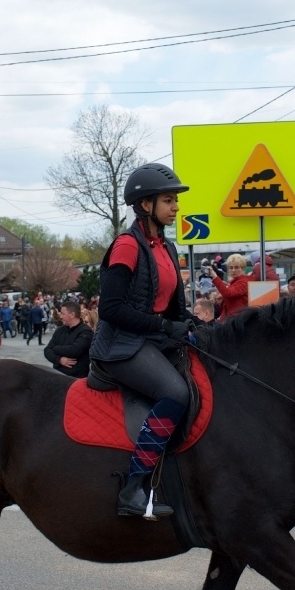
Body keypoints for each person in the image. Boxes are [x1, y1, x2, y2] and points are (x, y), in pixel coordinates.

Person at [89, 162, 193, 519]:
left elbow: (173, 307)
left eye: (175, 200)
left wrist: (191, 326)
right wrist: (164, 329)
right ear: (146, 205)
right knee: (176, 393)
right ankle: (133, 488)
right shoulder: (126, 246)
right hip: (121, 346)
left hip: (152, 341)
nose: (176, 207)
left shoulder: (167, 247)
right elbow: (111, 308)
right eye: (169, 200)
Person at [44, 301, 93, 378]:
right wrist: (59, 360)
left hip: (76, 378)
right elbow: (47, 350)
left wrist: (55, 348)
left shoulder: (86, 332)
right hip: (58, 375)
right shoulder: (60, 330)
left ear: (72, 315)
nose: (60, 316)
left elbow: (74, 350)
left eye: (63, 314)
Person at [211, 254, 250, 320]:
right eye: (231, 268)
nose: (233, 270)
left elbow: (228, 294)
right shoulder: (234, 282)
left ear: (243, 268)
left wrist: (215, 276)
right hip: (233, 319)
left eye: (237, 267)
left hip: (237, 321)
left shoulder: (244, 282)